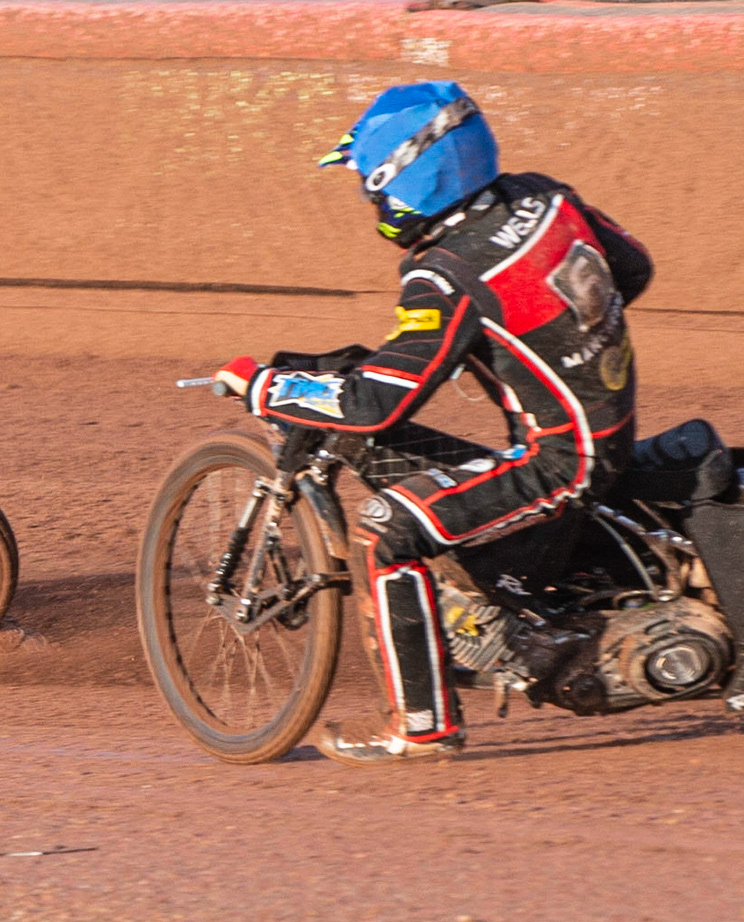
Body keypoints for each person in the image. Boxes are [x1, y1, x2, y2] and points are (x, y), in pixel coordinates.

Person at [212, 82, 652, 765]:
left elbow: (375, 406)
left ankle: (421, 725)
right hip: (608, 426)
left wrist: (265, 387)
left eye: (370, 185)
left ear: (406, 183)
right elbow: (633, 268)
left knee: (385, 532)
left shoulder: (446, 275)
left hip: (560, 462)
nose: (370, 201)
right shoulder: (544, 196)